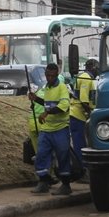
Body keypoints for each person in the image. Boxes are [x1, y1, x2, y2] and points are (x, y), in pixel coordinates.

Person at [27, 62, 73, 195]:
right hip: (46, 129)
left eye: (53, 76)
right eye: (48, 76)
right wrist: (36, 98)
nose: (50, 78)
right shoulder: (46, 87)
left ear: (57, 75)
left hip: (61, 128)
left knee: (62, 156)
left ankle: (65, 185)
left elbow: (63, 105)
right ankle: (43, 182)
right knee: (41, 154)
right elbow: (46, 103)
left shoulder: (62, 88)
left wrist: (47, 113)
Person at [68, 58, 98, 182]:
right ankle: (82, 172)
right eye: (97, 67)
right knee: (80, 145)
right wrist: (92, 114)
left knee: (82, 144)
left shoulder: (86, 77)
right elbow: (84, 100)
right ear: (92, 67)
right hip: (78, 115)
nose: (98, 71)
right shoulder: (86, 78)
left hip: (80, 115)